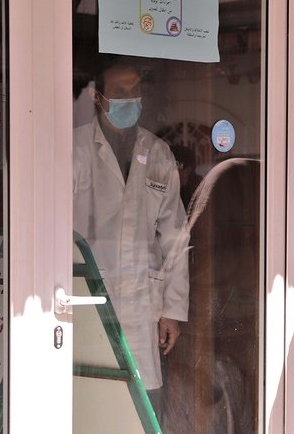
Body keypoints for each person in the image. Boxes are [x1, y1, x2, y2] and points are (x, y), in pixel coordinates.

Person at [73, 59, 190, 426]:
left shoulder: (158, 153)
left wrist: (173, 309)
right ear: (97, 97)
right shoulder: (74, 150)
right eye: (120, 92)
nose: (129, 98)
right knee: (91, 401)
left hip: (141, 303)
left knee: (142, 407)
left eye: (135, 90)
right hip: (87, 296)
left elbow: (175, 236)